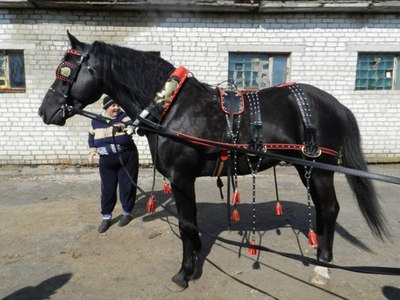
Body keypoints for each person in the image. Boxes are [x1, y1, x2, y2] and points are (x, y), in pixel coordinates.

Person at [88, 96, 139, 233]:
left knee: (127, 186)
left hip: (126, 157)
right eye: (113, 105)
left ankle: (127, 213)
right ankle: (106, 217)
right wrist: (92, 151)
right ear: (106, 108)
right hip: (106, 160)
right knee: (107, 189)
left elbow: (132, 125)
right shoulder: (96, 120)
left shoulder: (124, 116)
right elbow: (91, 137)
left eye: (118, 105)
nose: (116, 108)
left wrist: (121, 126)